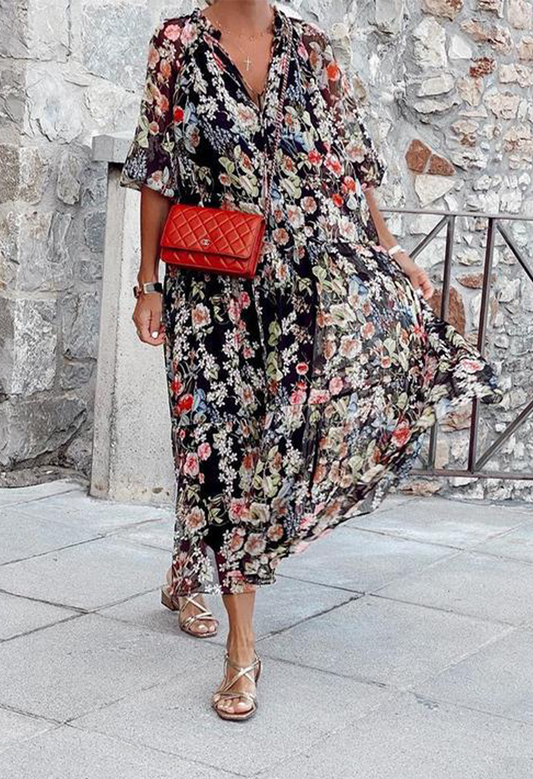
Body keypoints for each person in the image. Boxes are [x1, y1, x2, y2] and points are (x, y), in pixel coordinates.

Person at [120, 0, 504, 722]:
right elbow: (155, 168)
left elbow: (351, 162)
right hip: (209, 285)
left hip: (297, 285)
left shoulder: (310, 45)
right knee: (214, 446)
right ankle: (237, 644)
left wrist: (389, 250)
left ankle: (196, 581)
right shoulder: (178, 42)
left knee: (261, 450)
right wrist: (147, 285)